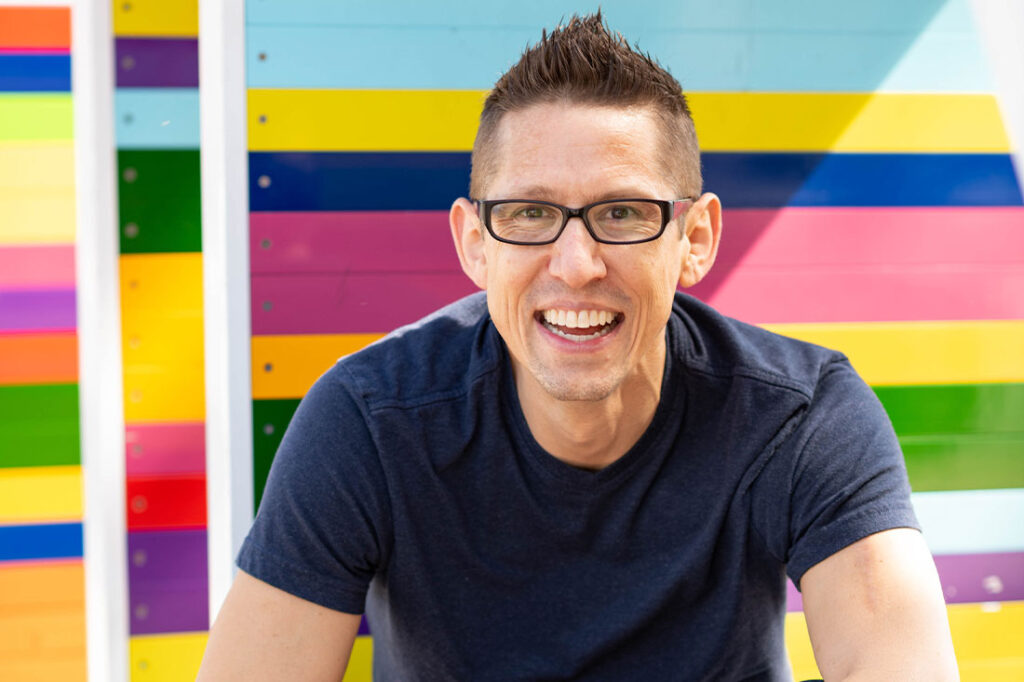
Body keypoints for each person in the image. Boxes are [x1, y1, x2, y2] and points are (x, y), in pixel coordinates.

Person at [198, 13, 958, 681]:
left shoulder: (801, 415)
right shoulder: (370, 422)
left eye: (623, 213)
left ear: (695, 239)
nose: (576, 264)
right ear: (474, 243)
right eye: (529, 214)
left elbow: (900, 665)